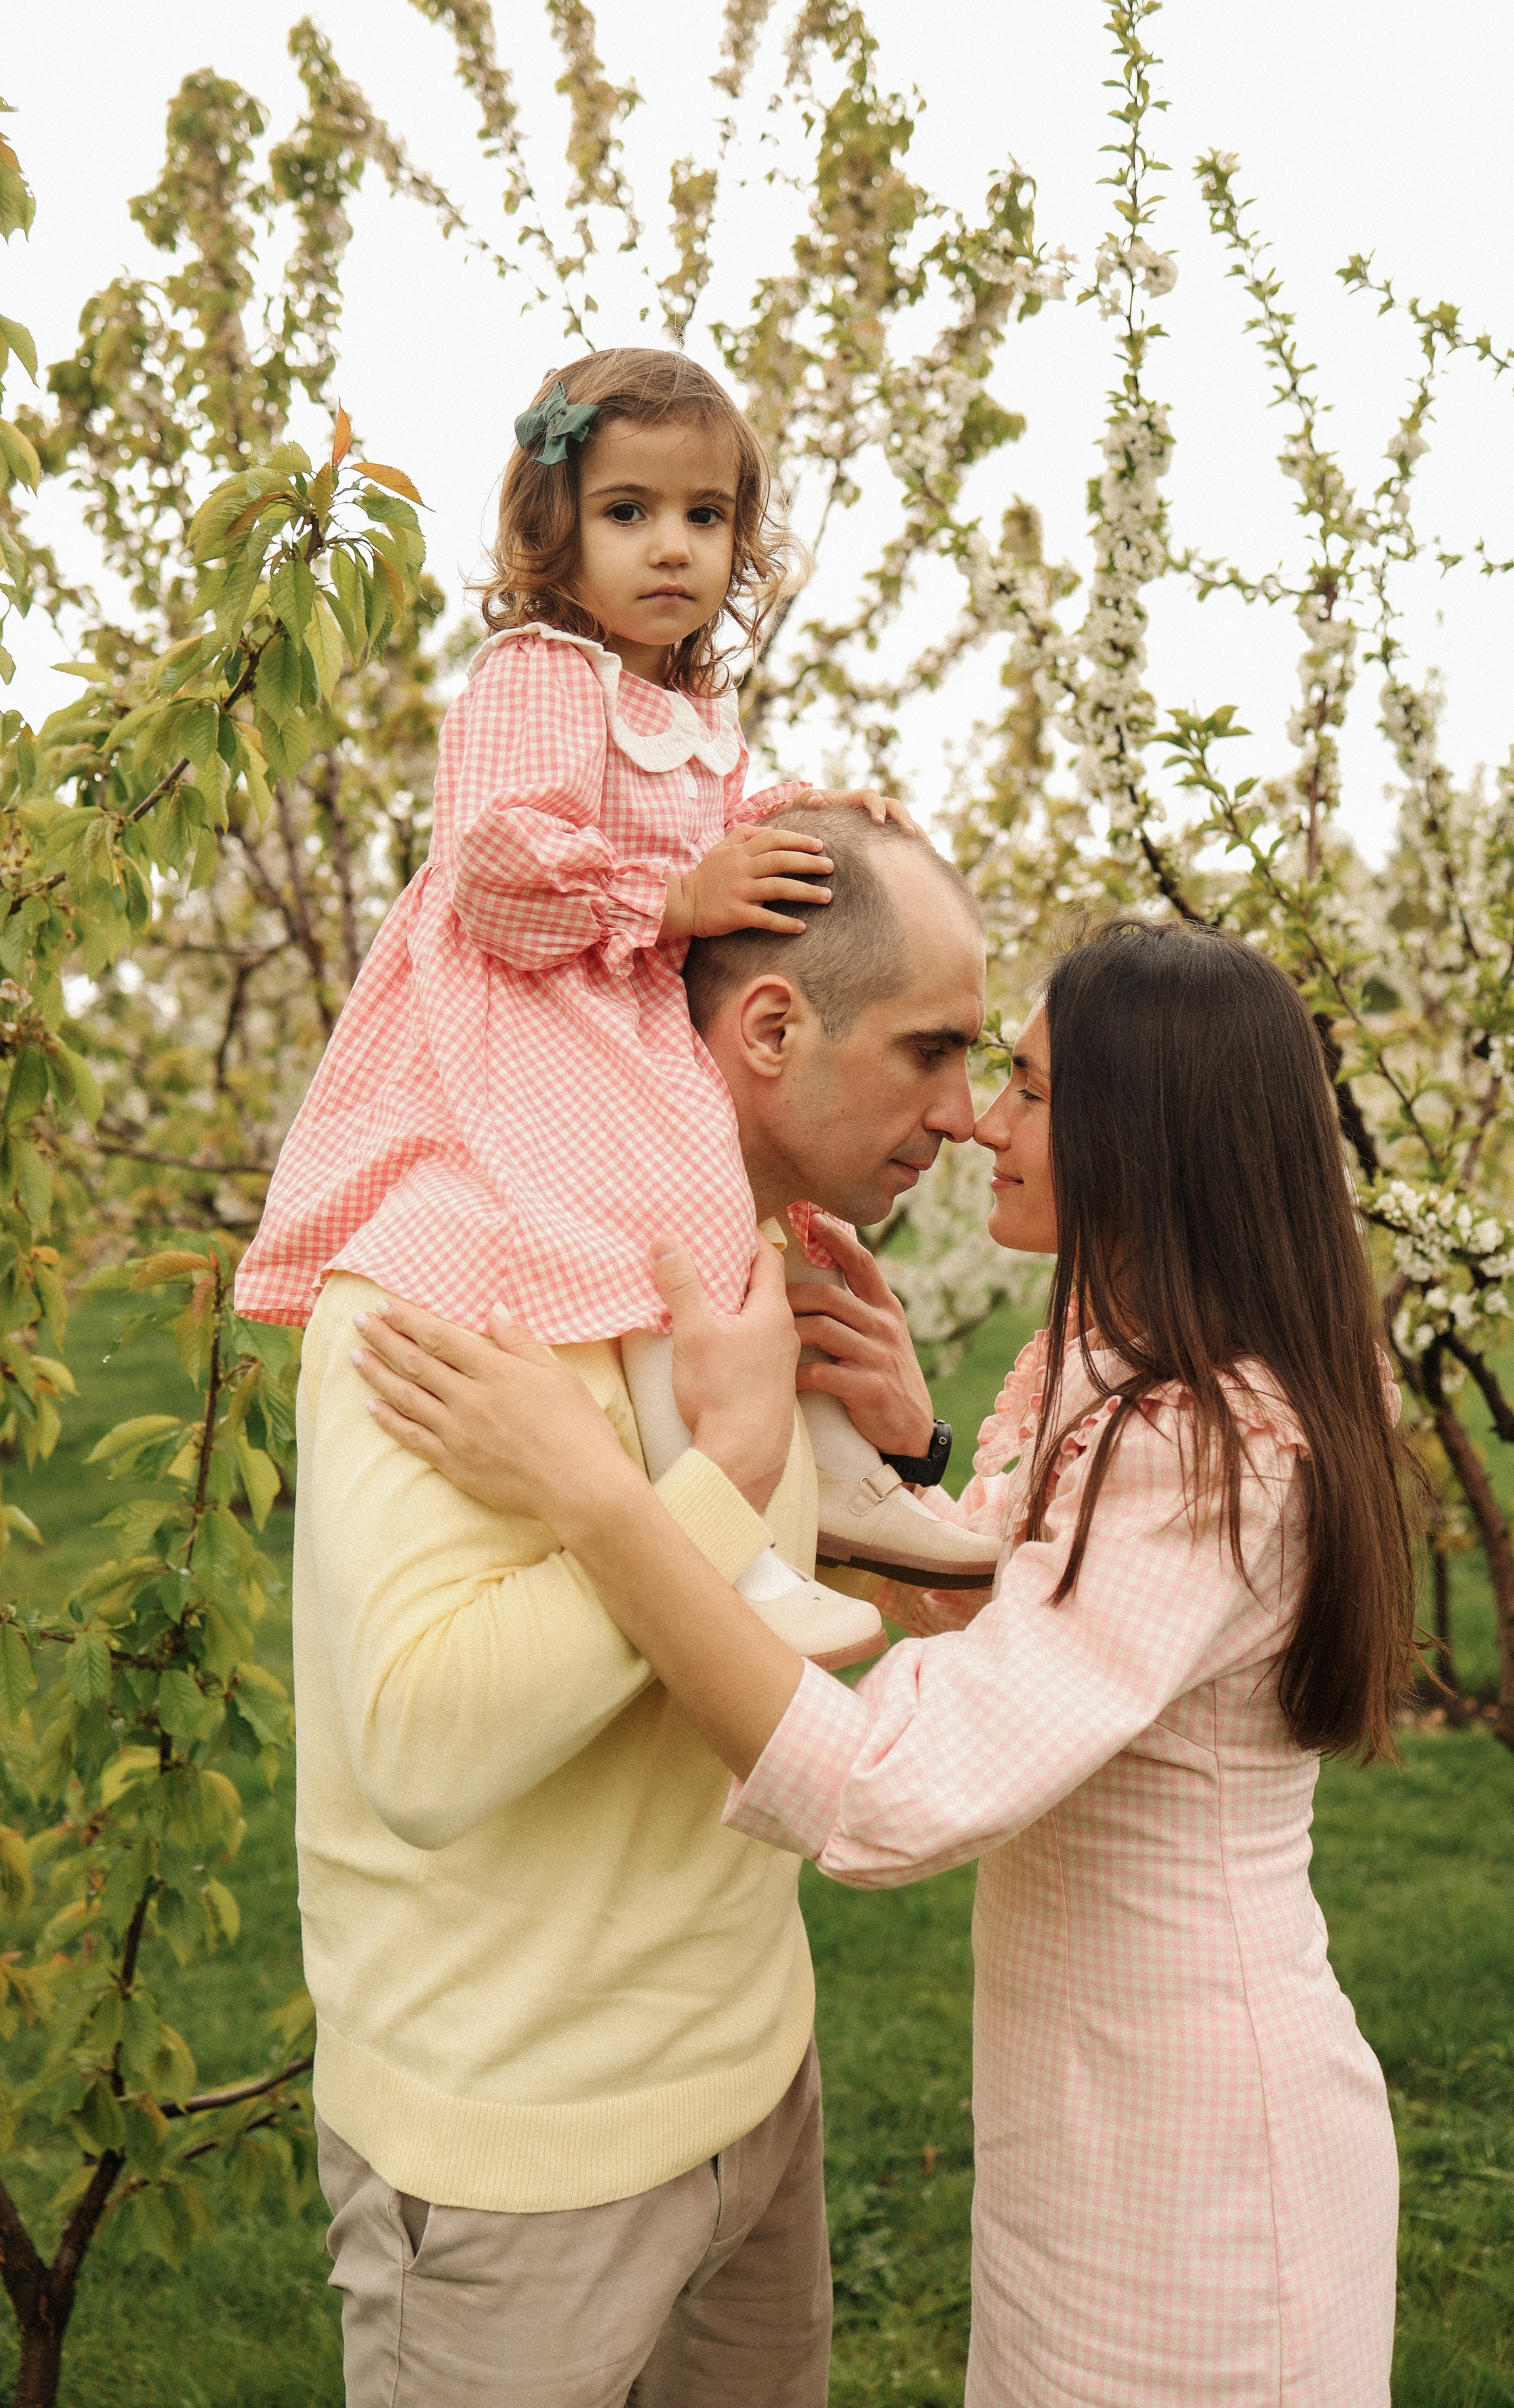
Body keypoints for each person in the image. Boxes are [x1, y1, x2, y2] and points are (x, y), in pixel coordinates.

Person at [352, 916, 1418, 2408]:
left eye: (1032, 1090)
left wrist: (601, 1503)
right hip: (1092, 2106)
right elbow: (1059, 1628)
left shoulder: (1198, 1442)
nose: (982, 1119)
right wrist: (916, 1461)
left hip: (1194, 2157)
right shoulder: (1137, 1370)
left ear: (1148, 1136)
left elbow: (891, 1792)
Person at [293, 803, 989, 2406]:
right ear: (767, 1026)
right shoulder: (437, 1277)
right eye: (930, 1050)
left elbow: (770, 1623)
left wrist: (902, 1454)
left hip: (758, 2086)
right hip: (522, 2161)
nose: (963, 1114)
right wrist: (723, 1464)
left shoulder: (748, 1260)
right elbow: (420, 1747)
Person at [234, 346, 996, 1649]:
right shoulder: (537, 675)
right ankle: (721, 1534)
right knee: (648, 1238)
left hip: (629, 1010)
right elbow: (496, 860)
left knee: (766, 1226)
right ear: (556, 528)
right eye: (627, 512)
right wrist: (675, 899)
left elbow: (715, 825)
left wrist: (816, 821)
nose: (670, 549)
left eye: (704, 519)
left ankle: (852, 1473)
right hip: (540, 1007)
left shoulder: (687, 703)